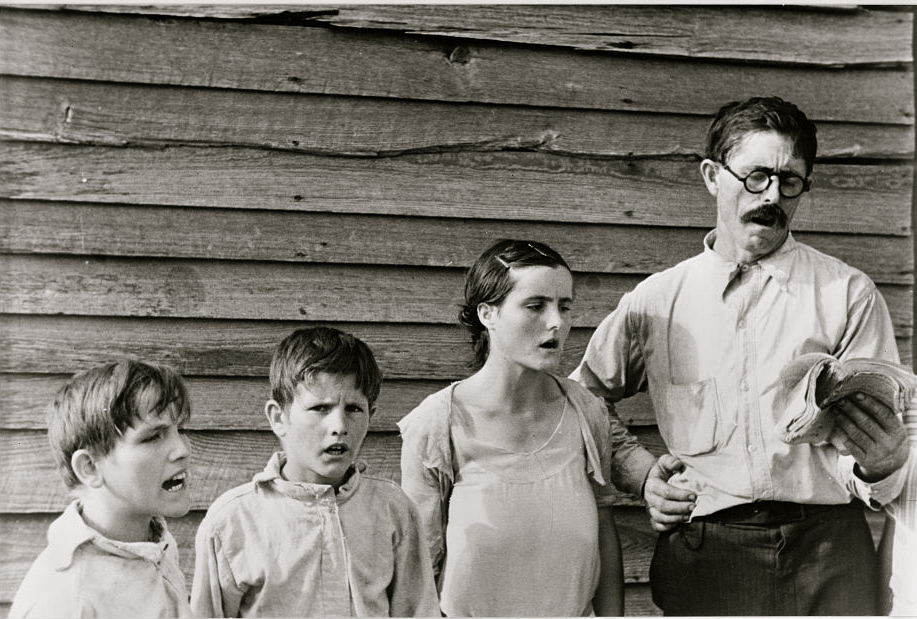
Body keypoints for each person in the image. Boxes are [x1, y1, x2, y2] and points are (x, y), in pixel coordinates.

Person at [570, 96, 911, 615]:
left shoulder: (847, 294)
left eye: (790, 181)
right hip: (708, 553)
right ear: (713, 176)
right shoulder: (657, 302)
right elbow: (583, 400)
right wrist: (642, 474)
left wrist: (881, 462)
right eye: (756, 177)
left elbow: (876, 443)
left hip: (828, 552)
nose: (772, 196)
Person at [399, 239, 641, 617]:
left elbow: (603, 539)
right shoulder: (438, 423)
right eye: (535, 306)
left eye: (564, 306)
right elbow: (417, 567)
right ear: (488, 314)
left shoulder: (586, 411)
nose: (556, 322)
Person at [190, 326, 439, 617]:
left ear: (370, 416)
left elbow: (418, 611)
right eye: (320, 408)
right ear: (278, 418)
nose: (339, 426)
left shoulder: (393, 510)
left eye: (354, 409)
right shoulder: (233, 522)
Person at [9, 359, 193, 618]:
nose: (183, 449)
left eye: (180, 429)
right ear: (90, 467)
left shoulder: (156, 543)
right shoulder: (63, 600)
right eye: (153, 437)